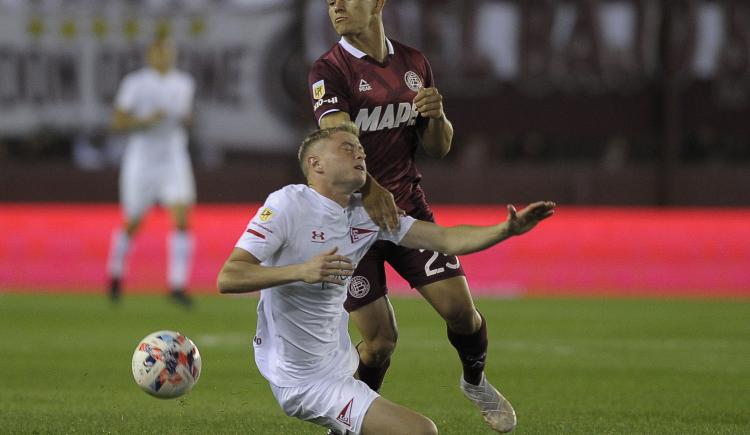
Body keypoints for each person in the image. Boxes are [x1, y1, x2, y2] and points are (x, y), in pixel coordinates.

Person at [217, 123, 555, 435]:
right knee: (422, 432)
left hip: (340, 362)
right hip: (303, 380)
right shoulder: (287, 205)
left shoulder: (367, 215)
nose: (360, 153)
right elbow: (229, 277)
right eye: (347, 148)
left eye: (360, 148)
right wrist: (300, 271)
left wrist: (506, 230)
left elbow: (446, 240)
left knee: (385, 354)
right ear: (316, 164)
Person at [308, 0, 517, 431]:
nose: (337, 6)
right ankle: (350, 421)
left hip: (406, 212)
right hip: (349, 225)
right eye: (330, 1)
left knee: (462, 312)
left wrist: (437, 116)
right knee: (380, 342)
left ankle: (474, 381)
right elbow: (336, 136)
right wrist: (368, 187)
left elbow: (439, 146)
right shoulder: (329, 70)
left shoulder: (413, 62)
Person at [105, 34, 196, 307]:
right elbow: (118, 122)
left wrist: (186, 119)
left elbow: (189, 118)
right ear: (150, 56)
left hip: (173, 156)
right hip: (142, 159)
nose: (164, 58)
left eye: (168, 53)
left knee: (181, 217)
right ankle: (116, 275)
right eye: (159, 53)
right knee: (133, 220)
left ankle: (177, 285)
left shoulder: (184, 83)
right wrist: (146, 120)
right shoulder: (135, 83)